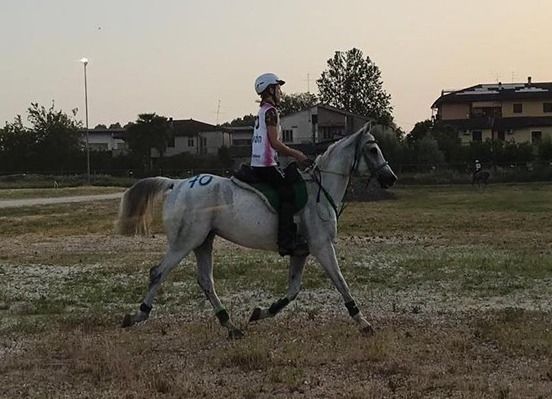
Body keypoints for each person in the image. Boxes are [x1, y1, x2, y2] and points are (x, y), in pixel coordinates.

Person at [251, 73, 309, 257]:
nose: (281, 92)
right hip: (266, 164)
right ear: (270, 90)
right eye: (278, 88)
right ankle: (286, 241)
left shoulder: (262, 110)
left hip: (258, 163)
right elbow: (274, 143)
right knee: (287, 193)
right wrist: (296, 154)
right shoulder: (271, 112)